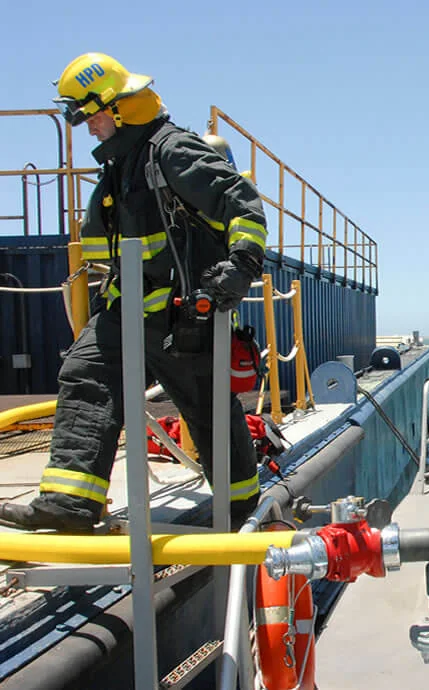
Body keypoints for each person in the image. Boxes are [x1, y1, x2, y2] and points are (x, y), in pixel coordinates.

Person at [0, 53, 266, 532]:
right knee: (84, 377)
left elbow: (240, 203)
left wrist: (242, 265)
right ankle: (69, 503)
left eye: (92, 116)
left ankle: (243, 506)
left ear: (119, 108)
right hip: (123, 315)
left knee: (206, 409)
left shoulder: (172, 151)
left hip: (180, 319)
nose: (89, 128)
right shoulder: (122, 166)